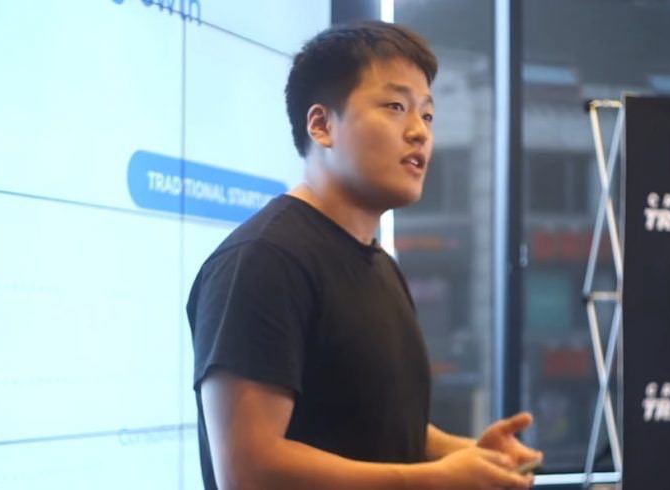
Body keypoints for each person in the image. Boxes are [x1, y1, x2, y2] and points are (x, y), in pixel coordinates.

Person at [187, 20, 542, 490]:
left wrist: (470, 454)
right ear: (321, 125)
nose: (419, 132)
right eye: (396, 107)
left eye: (427, 115)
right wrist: (433, 480)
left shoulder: (380, 265)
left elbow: (372, 421)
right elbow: (249, 470)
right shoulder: (264, 260)